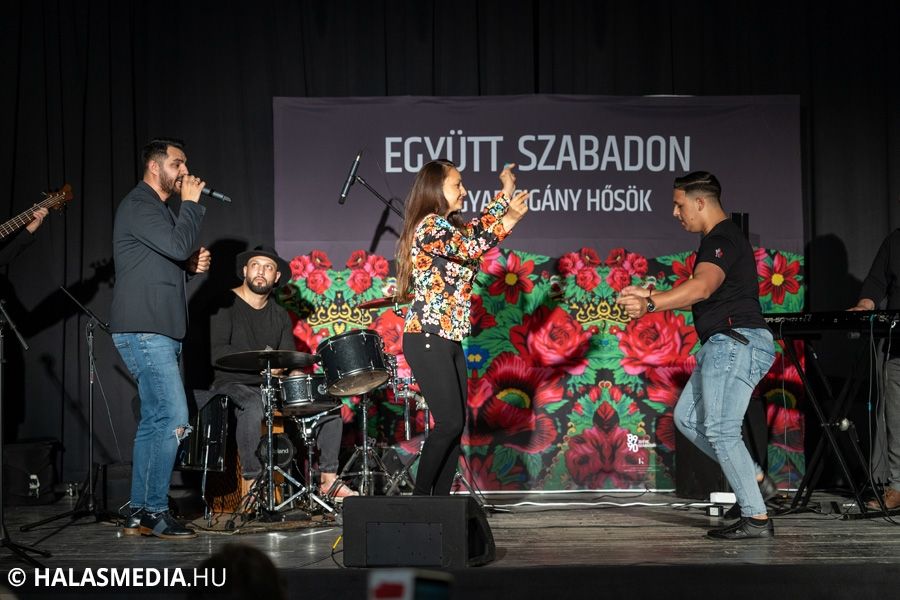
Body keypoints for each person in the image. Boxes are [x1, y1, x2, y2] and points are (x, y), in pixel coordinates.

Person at [617, 171, 777, 540]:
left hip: (734, 342)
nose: (675, 213)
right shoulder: (719, 240)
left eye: (679, 205)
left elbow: (702, 287)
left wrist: (650, 304)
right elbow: (705, 291)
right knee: (687, 419)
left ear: (700, 201)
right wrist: (651, 295)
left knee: (721, 430)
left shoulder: (721, 238)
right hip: (724, 344)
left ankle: (756, 518)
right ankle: (753, 477)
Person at [395, 160, 529, 495]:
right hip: (427, 335)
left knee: (456, 425)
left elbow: (476, 232)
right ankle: (420, 502)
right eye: (457, 184)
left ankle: (439, 507)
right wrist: (510, 218)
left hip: (447, 338)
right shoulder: (429, 226)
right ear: (435, 189)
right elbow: (471, 247)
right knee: (450, 422)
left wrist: (505, 193)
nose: (464, 191)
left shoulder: (447, 228)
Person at [112, 138, 211, 539]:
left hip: (156, 328)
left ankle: (139, 511)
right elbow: (177, 243)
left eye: (185, 164)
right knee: (173, 418)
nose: (185, 171)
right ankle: (154, 510)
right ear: (155, 167)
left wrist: (187, 266)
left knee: (155, 421)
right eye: (177, 164)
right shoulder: (140, 204)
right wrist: (192, 205)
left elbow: (162, 257)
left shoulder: (155, 209)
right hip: (146, 329)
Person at [210, 246, 354, 502]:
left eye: (268, 268)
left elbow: (287, 357)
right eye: (255, 265)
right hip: (232, 383)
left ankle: (328, 480)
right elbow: (218, 352)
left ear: (276, 277)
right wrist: (262, 365)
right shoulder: (225, 304)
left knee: (329, 406)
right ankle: (252, 483)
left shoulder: (279, 314)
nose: (261, 272)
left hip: (270, 386)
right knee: (254, 404)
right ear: (245, 270)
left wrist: (295, 373)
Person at [850, 229, 900, 510]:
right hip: (898, 346)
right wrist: (864, 305)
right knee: (896, 420)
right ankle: (898, 486)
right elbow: (876, 283)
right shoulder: (895, 241)